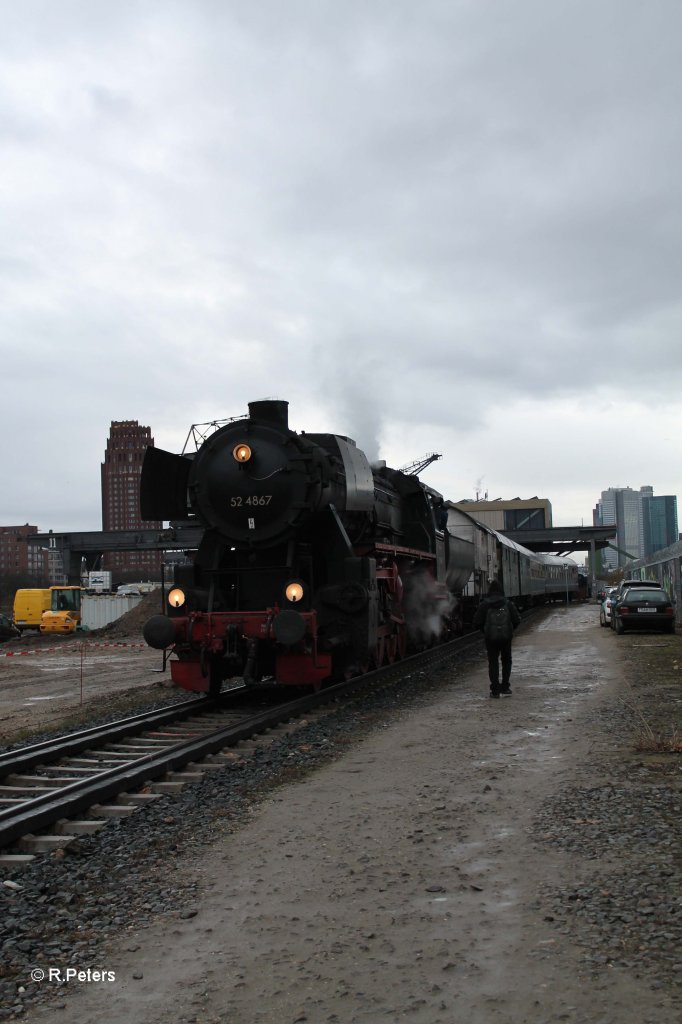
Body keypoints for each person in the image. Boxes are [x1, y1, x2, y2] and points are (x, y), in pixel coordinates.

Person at [473, 579, 521, 699]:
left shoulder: (485, 604)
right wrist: (510, 631)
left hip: (491, 638)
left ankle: (495, 690)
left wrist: (485, 631)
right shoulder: (508, 603)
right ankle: (505, 687)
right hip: (506, 638)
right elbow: (517, 620)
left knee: (493, 662)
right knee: (506, 661)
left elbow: (476, 622)